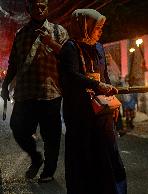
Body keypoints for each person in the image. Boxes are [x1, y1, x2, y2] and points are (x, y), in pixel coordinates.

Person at [59, 9, 127, 194]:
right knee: (84, 158)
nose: (100, 32)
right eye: (97, 27)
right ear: (84, 26)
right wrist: (97, 85)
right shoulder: (69, 48)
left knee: (108, 155)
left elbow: (104, 77)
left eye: (101, 28)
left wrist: (111, 101)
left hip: (101, 114)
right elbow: (71, 77)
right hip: (80, 114)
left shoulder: (98, 47)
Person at [0, 0, 68, 183]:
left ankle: (48, 170)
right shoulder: (21, 34)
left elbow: (70, 57)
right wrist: (5, 85)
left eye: (42, 6)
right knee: (17, 127)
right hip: (25, 92)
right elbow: (13, 63)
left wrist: (51, 43)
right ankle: (36, 157)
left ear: (47, 8)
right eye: (35, 6)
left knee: (51, 136)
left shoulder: (58, 31)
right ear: (28, 9)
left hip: (50, 93)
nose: (39, 10)